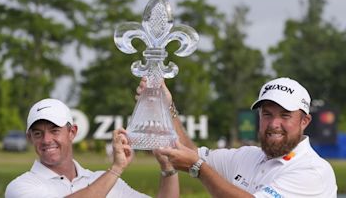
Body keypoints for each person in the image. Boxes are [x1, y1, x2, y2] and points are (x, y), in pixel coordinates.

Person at [137, 77, 338, 197]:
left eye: (285, 115)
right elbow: (187, 153)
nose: (274, 124)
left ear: (305, 121)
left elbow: (195, 162)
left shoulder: (313, 171)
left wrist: (199, 167)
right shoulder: (247, 156)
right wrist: (166, 107)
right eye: (267, 114)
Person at [5, 98, 178, 198]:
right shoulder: (20, 186)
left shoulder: (105, 181)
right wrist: (116, 168)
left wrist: (167, 167)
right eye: (38, 134)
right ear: (29, 138)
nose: (46, 140)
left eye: (54, 131)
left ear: (72, 132)